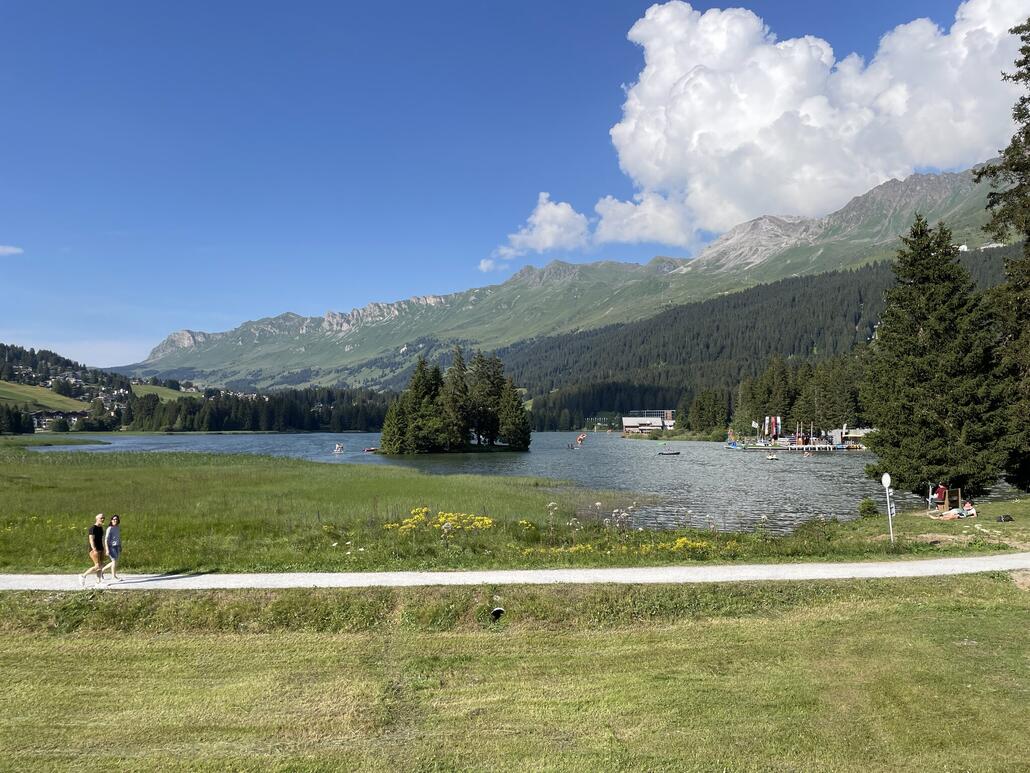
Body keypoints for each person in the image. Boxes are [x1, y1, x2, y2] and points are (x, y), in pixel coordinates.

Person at [79, 513, 105, 587]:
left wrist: (104, 548)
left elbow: (101, 539)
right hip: (94, 549)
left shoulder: (101, 528)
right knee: (97, 566)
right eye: (101, 518)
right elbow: (91, 540)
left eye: (103, 518)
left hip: (101, 548)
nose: (103, 519)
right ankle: (83, 576)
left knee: (101, 565)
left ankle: (98, 581)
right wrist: (94, 549)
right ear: (97, 519)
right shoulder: (93, 528)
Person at [101, 514, 122, 581]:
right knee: (114, 561)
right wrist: (107, 549)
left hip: (117, 546)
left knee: (115, 562)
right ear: (111, 520)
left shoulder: (117, 527)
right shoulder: (110, 528)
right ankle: (113, 576)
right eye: (114, 519)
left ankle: (102, 570)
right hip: (111, 547)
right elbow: (106, 539)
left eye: (116, 519)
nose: (115, 520)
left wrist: (120, 545)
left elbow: (118, 538)